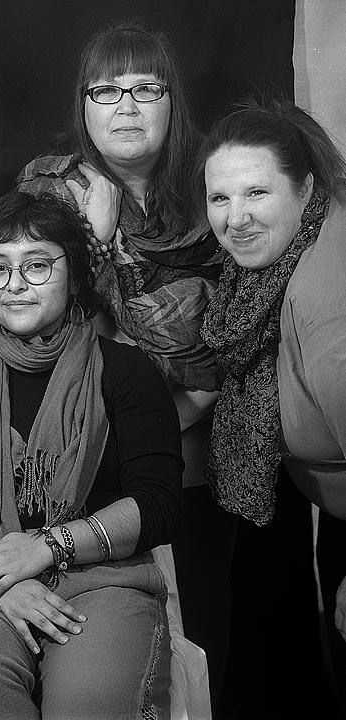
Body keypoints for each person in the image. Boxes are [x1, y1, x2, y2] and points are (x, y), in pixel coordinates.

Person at [0, 191, 185, 720]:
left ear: (74, 277)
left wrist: (47, 547)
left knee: (93, 697)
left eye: (37, 265)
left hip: (100, 577)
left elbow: (159, 504)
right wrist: (1, 579)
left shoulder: (125, 371)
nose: (16, 284)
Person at [16, 19, 234, 706]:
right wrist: (96, 236)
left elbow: (235, 338)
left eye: (146, 88)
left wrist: (178, 408)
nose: (127, 106)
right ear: (83, 106)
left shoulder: (216, 192)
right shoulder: (48, 191)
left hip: (209, 463)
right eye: (106, 90)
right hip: (92, 470)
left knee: (216, 647)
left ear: (173, 102)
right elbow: (43, 331)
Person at [198, 98, 346, 718]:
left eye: (256, 192)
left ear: (305, 187)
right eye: (219, 198)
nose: (235, 218)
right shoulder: (288, 254)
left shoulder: (325, 304)